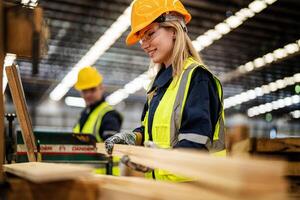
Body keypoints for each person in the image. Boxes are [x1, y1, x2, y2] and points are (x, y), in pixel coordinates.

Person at [105, 0, 225, 181]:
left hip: (194, 189)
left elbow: (196, 142)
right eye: (141, 38)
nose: (144, 44)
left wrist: (155, 159)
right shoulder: (159, 85)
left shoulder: (197, 79)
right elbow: (154, 132)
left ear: (174, 30)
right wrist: (134, 137)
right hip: (165, 189)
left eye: (150, 34)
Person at [73, 66, 122, 174]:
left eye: (92, 89)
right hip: (86, 178)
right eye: (84, 91)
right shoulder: (84, 115)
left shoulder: (109, 115)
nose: (88, 94)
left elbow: (110, 149)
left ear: (101, 87)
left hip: (105, 179)